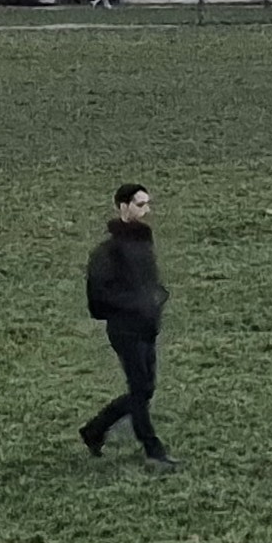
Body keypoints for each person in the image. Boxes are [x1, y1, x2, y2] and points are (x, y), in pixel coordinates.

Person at [79, 182, 172, 465]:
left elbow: (147, 282)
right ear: (123, 207)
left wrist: (158, 295)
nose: (147, 210)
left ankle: (94, 429)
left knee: (144, 390)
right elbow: (98, 296)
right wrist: (136, 304)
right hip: (125, 329)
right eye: (140, 205)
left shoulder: (143, 244)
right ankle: (153, 450)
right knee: (140, 388)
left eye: (147, 204)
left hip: (146, 324)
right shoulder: (107, 252)